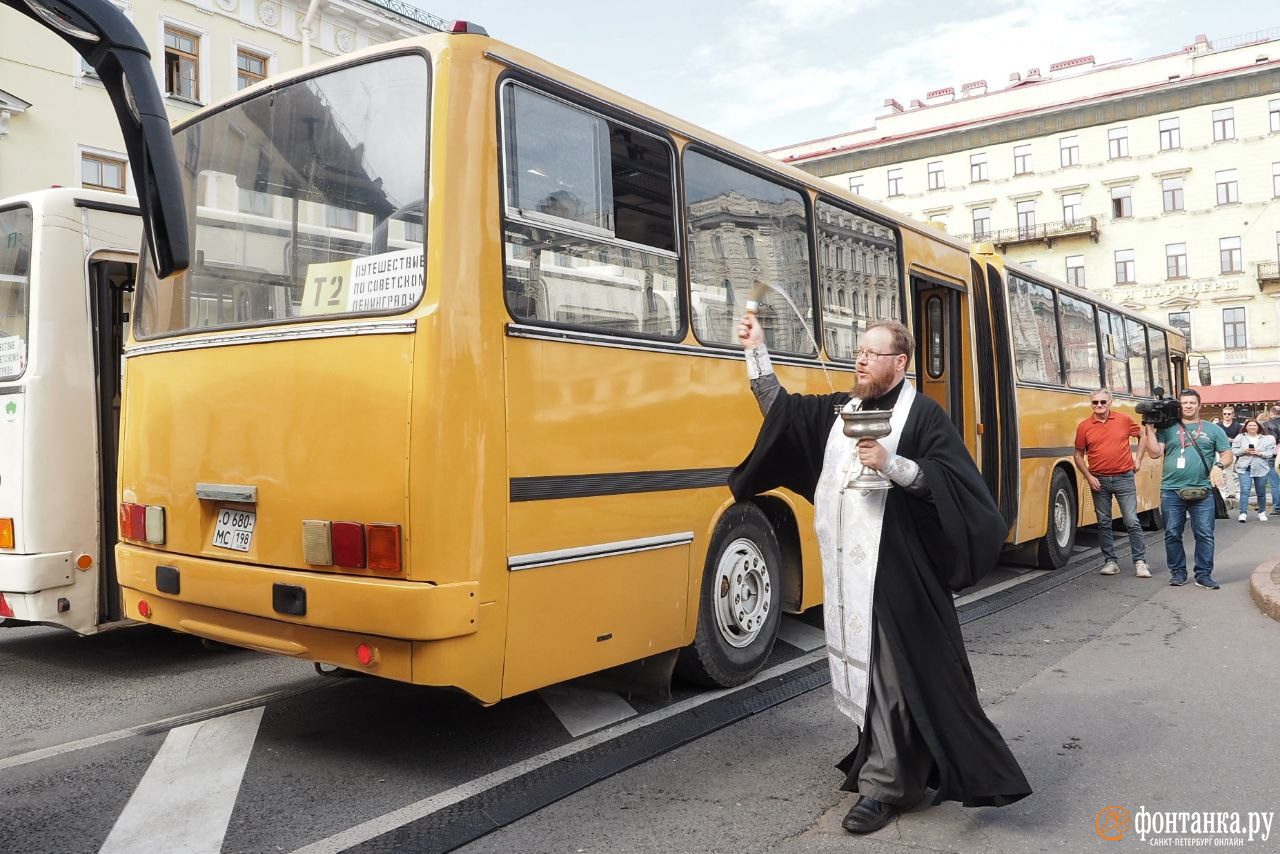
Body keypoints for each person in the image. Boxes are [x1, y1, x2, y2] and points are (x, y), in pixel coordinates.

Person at [729, 316, 1031, 834]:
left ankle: (885, 786)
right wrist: (757, 351)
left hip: (898, 571)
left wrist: (895, 465)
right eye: (858, 353)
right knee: (878, 673)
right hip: (851, 572)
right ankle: (896, 766)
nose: (861, 360)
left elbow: (955, 485)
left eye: (872, 354)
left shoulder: (925, 416)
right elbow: (781, 413)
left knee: (894, 674)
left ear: (901, 362)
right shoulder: (839, 411)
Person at [1144, 389, 1233, 589]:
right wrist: (1149, 429)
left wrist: (1219, 466)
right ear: (1179, 406)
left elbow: (1227, 454)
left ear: (1199, 406)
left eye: (1192, 402)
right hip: (1171, 491)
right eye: (1185, 403)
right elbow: (1155, 453)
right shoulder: (1167, 428)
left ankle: (1203, 575)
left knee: (1204, 534)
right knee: (1172, 533)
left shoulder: (1212, 429)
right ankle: (1178, 573)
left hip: (1203, 491)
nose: (1188, 406)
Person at [1072, 389, 1150, 578]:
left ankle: (1140, 562)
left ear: (1110, 402)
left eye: (1103, 402)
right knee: (1104, 523)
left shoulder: (1123, 419)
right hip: (1099, 480)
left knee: (1131, 521)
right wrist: (1089, 477)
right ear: (1091, 404)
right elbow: (1078, 455)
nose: (1099, 405)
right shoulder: (1084, 426)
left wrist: (1138, 460)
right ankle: (1110, 562)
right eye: (1095, 403)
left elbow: (1143, 435)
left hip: (1124, 478)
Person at [1231, 418, 1275, 522]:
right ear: (1245, 427)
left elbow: (1270, 453)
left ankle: (1262, 512)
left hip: (1261, 468)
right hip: (1244, 467)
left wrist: (1260, 453)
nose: (1252, 427)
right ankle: (1243, 513)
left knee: (1261, 492)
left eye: (1254, 425)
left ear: (1258, 427)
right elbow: (1235, 451)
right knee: (1244, 491)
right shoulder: (1240, 437)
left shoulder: (1265, 439)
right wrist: (1244, 451)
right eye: (1249, 425)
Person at [1218, 406, 1242, 508]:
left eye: (1229, 414)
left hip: (1233, 450)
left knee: (1235, 473)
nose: (1226, 416)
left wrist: (1232, 440)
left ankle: (1238, 493)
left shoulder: (1237, 426)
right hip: (1220, 451)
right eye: (1225, 414)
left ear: (1233, 415)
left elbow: (1241, 438)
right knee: (1221, 473)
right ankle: (1224, 493)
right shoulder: (1218, 425)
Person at [1261, 405, 1280, 513]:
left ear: (1271, 413)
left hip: (1273, 456)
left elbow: (1266, 442)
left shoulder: (1266, 425)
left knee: (1275, 483)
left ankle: (1277, 508)